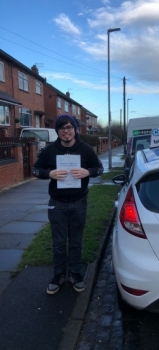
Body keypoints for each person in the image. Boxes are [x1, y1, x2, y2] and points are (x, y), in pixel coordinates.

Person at [32, 114, 104, 295]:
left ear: (75, 129)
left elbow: (100, 169)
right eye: (62, 128)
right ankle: (58, 275)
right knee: (58, 242)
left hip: (79, 202)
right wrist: (50, 174)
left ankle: (75, 273)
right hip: (57, 204)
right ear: (58, 131)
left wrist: (87, 171)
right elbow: (35, 169)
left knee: (76, 241)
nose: (66, 131)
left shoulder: (85, 149)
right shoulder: (50, 150)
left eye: (69, 127)